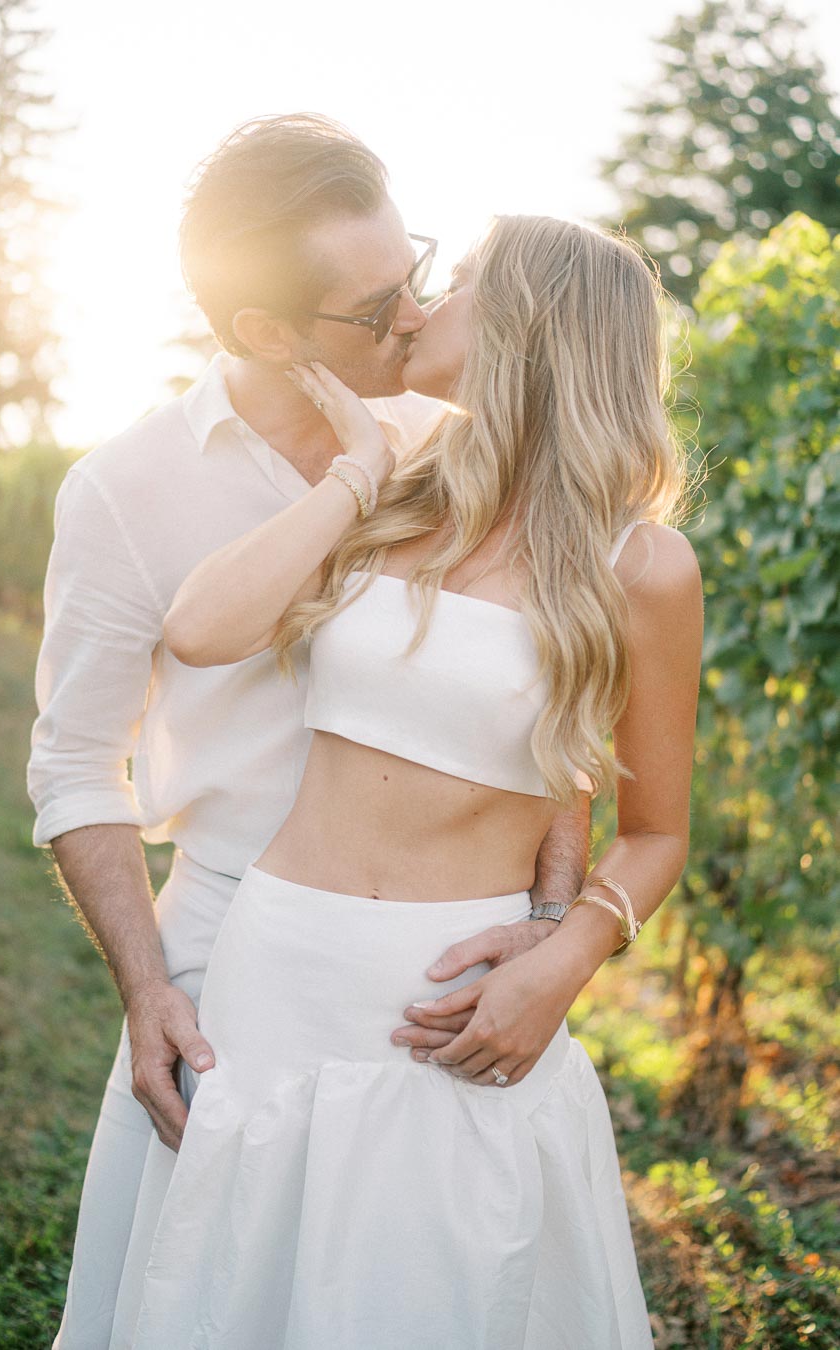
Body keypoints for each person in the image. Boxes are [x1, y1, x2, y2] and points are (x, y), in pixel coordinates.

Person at [27, 116, 590, 1349]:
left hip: (443, 957)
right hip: (232, 949)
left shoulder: (459, 442)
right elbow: (76, 765)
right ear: (264, 333)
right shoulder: (125, 489)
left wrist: (552, 925)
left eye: (419, 270)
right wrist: (148, 987)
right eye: (377, 302)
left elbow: (561, 692)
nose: (415, 315)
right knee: (218, 1292)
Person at [115, 214, 704, 1348]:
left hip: (452, 1001)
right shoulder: (403, 499)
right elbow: (199, 628)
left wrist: (562, 963)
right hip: (276, 968)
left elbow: (659, 831)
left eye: (466, 282)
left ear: (532, 327)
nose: (424, 305)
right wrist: (356, 469)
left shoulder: (641, 565)